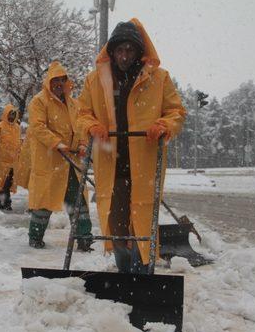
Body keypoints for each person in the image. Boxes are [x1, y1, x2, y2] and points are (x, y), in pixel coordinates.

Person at [77, 18, 186, 273]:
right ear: (112, 52)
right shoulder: (95, 81)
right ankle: (124, 269)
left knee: (142, 221)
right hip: (111, 163)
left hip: (144, 163)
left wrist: (164, 125)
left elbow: (176, 111)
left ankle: (142, 271)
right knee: (116, 222)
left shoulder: (158, 79)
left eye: (130, 50)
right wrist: (92, 125)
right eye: (120, 50)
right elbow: (82, 112)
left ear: (139, 51)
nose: (124, 56)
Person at [26, 61, 93, 250]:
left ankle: (84, 238)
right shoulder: (39, 101)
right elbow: (38, 127)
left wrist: (81, 144)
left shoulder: (74, 104)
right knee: (44, 202)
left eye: (62, 80)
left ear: (66, 82)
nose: (58, 84)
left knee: (78, 201)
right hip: (50, 161)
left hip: (71, 162)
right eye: (55, 80)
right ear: (49, 82)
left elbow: (80, 127)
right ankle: (35, 236)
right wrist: (57, 144)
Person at [0, 104, 20, 210]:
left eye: (13, 115)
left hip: (13, 162)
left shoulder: (17, 128)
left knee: (8, 182)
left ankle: (4, 201)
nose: (11, 117)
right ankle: (1, 201)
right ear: (6, 114)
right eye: (10, 114)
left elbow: (19, 142)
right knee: (2, 182)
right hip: (2, 160)